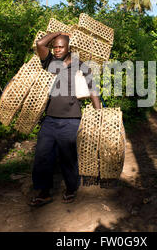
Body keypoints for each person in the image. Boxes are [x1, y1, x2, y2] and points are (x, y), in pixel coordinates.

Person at [29, 31, 102, 207]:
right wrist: (58, 33)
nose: (57, 50)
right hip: (50, 119)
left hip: (71, 119)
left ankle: (71, 188)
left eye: (61, 46)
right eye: (55, 47)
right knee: (42, 155)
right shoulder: (51, 62)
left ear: (69, 47)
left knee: (68, 157)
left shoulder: (81, 65)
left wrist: (99, 113)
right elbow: (40, 44)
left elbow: (93, 90)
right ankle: (44, 192)